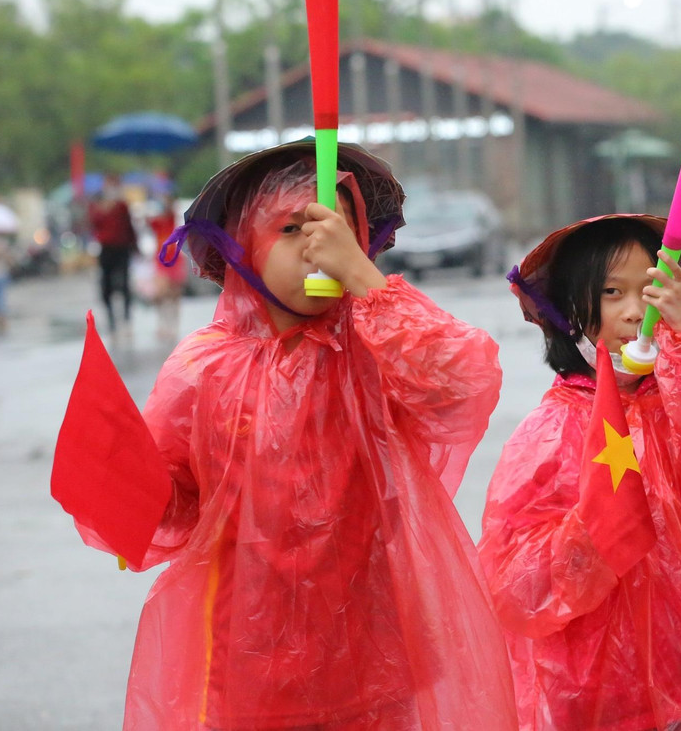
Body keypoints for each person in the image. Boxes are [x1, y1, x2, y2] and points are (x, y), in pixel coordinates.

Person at [103, 141, 518, 728]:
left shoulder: (376, 345)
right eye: (291, 227)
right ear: (244, 243)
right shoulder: (203, 367)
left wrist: (367, 281)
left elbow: (460, 382)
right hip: (248, 662)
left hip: (373, 656)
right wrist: (121, 482)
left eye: (336, 230)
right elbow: (175, 504)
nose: (316, 245)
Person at [480, 215, 681, 731]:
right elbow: (516, 584)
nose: (635, 312)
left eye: (650, 291)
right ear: (571, 311)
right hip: (599, 688)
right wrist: (594, 533)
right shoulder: (550, 433)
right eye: (612, 292)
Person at [87, 174, 138, 337]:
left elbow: (129, 227)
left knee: (124, 284)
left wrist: (135, 246)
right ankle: (111, 322)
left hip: (122, 248)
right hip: (106, 249)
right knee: (106, 286)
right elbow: (93, 224)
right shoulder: (97, 207)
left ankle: (126, 319)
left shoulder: (122, 205)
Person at [147, 194, 186, 345]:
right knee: (161, 294)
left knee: (174, 295)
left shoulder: (171, 219)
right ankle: (162, 323)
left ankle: (173, 324)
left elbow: (172, 212)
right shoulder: (157, 222)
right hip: (161, 261)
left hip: (173, 260)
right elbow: (148, 222)